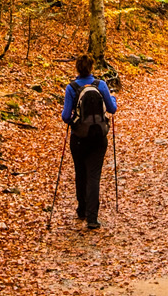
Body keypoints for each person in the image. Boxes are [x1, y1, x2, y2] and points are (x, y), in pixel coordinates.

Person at [61, 54, 118, 229]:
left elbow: (65, 116)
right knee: (94, 176)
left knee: (80, 172)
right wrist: (113, 98)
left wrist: (74, 121)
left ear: (77, 68)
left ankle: (82, 209)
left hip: (79, 138)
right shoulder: (100, 85)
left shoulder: (71, 88)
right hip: (99, 138)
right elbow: (112, 108)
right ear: (91, 68)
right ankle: (92, 219)